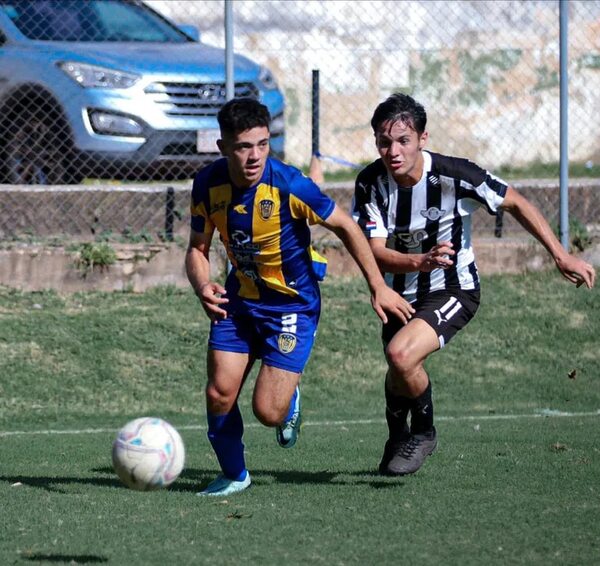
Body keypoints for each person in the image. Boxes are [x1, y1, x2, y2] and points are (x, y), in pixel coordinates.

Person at [353, 93, 596, 477]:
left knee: (401, 355)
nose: (393, 151)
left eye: (403, 140)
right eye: (384, 142)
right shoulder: (370, 183)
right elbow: (374, 251)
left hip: (453, 288)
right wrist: (418, 261)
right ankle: (397, 436)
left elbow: (515, 202)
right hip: (399, 293)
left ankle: (425, 432)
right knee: (399, 367)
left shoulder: (455, 175)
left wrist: (560, 254)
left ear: (423, 138)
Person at [186, 97, 414, 496]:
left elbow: (346, 226)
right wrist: (202, 285)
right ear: (223, 147)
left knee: (267, 412)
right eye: (243, 147)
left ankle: (287, 399)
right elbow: (197, 249)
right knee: (219, 391)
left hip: (291, 306)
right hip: (238, 301)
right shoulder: (207, 185)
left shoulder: (289, 185)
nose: (254, 155)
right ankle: (235, 474)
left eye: (262, 144)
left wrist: (378, 285)